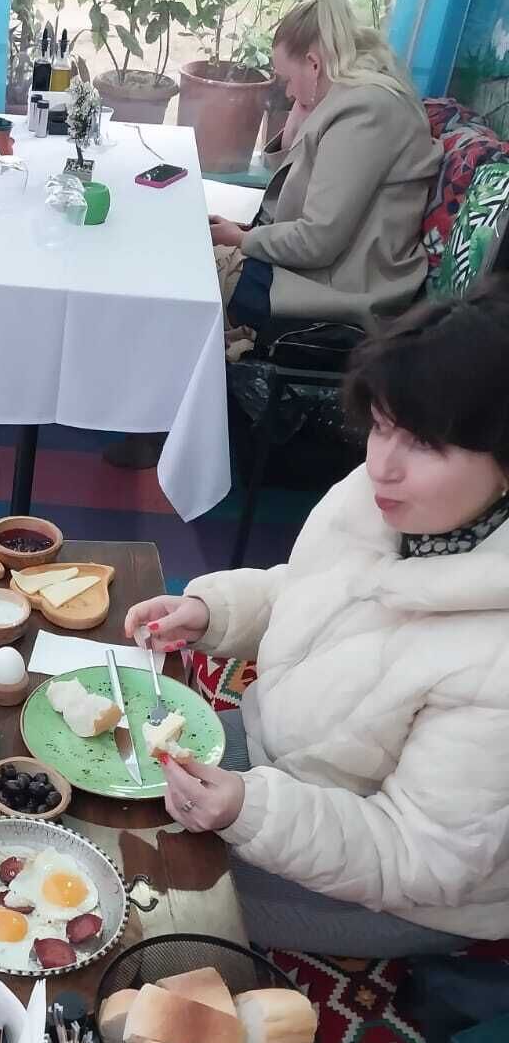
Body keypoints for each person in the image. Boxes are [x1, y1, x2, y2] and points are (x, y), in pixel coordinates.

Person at [124, 285, 509, 958]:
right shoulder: (390, 504)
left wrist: (251, 809)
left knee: (136, 906)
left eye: (422, 442)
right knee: (91, 793)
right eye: (381, 425)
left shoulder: (496, 664)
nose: (381, 465)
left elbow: (422, 857)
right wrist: (211, 612)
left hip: (397, 887)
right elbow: (322, 593)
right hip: (279, 764)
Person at [210, 0, 440, 342]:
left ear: (314, 63)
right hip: (328, 268)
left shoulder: (364, 112)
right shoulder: (349, 98)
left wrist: (244, 238)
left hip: (344, 287)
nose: (287, 93)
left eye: (287, 79)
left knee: (191, 278)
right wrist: (300, 117)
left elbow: (317, 240)